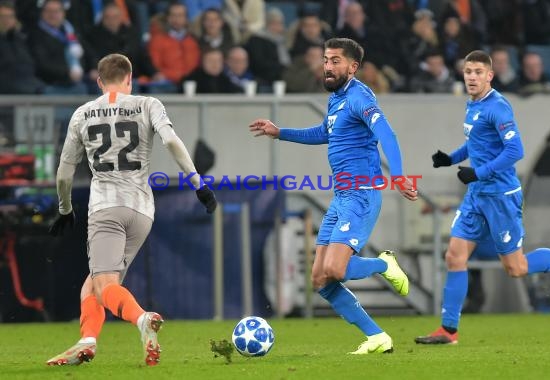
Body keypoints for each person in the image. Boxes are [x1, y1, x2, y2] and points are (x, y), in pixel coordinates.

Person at [248, 38, 418, 354]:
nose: (328, 66)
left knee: (337, 270)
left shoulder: (359, 96)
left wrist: (398, 175)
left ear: (353, 67)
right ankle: (377, 337)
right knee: (320, 280)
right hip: (341, 196)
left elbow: (387, 133)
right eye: (326, 59)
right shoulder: (336, 99)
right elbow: (325, 133)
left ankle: (384, 264)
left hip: (361, 194)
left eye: (336, 60)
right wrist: (280, 132)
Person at [46, 53, 217, 366]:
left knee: (104, 283)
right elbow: (172, 142)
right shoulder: (148, 103)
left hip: (106, 208)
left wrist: (65, 208)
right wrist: (199, 185)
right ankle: (87, 342)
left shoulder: (83, 113)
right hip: (142, 211)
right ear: (130, 78)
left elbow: (64, 172)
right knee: (94, 284)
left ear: (99, 81)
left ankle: (142, 319)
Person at [416, 50, 550, 345]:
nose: (472, 77)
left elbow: (516, 151)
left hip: (500, 196)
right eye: (468, 71)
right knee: (455, 256)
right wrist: (451, 158)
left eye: (478, 72)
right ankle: (448, 331)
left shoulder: (498, 107)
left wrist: (479, 172)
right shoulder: (472, 105)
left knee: (516, 268)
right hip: (477, 195)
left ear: (490, 76)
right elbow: (476, 142)